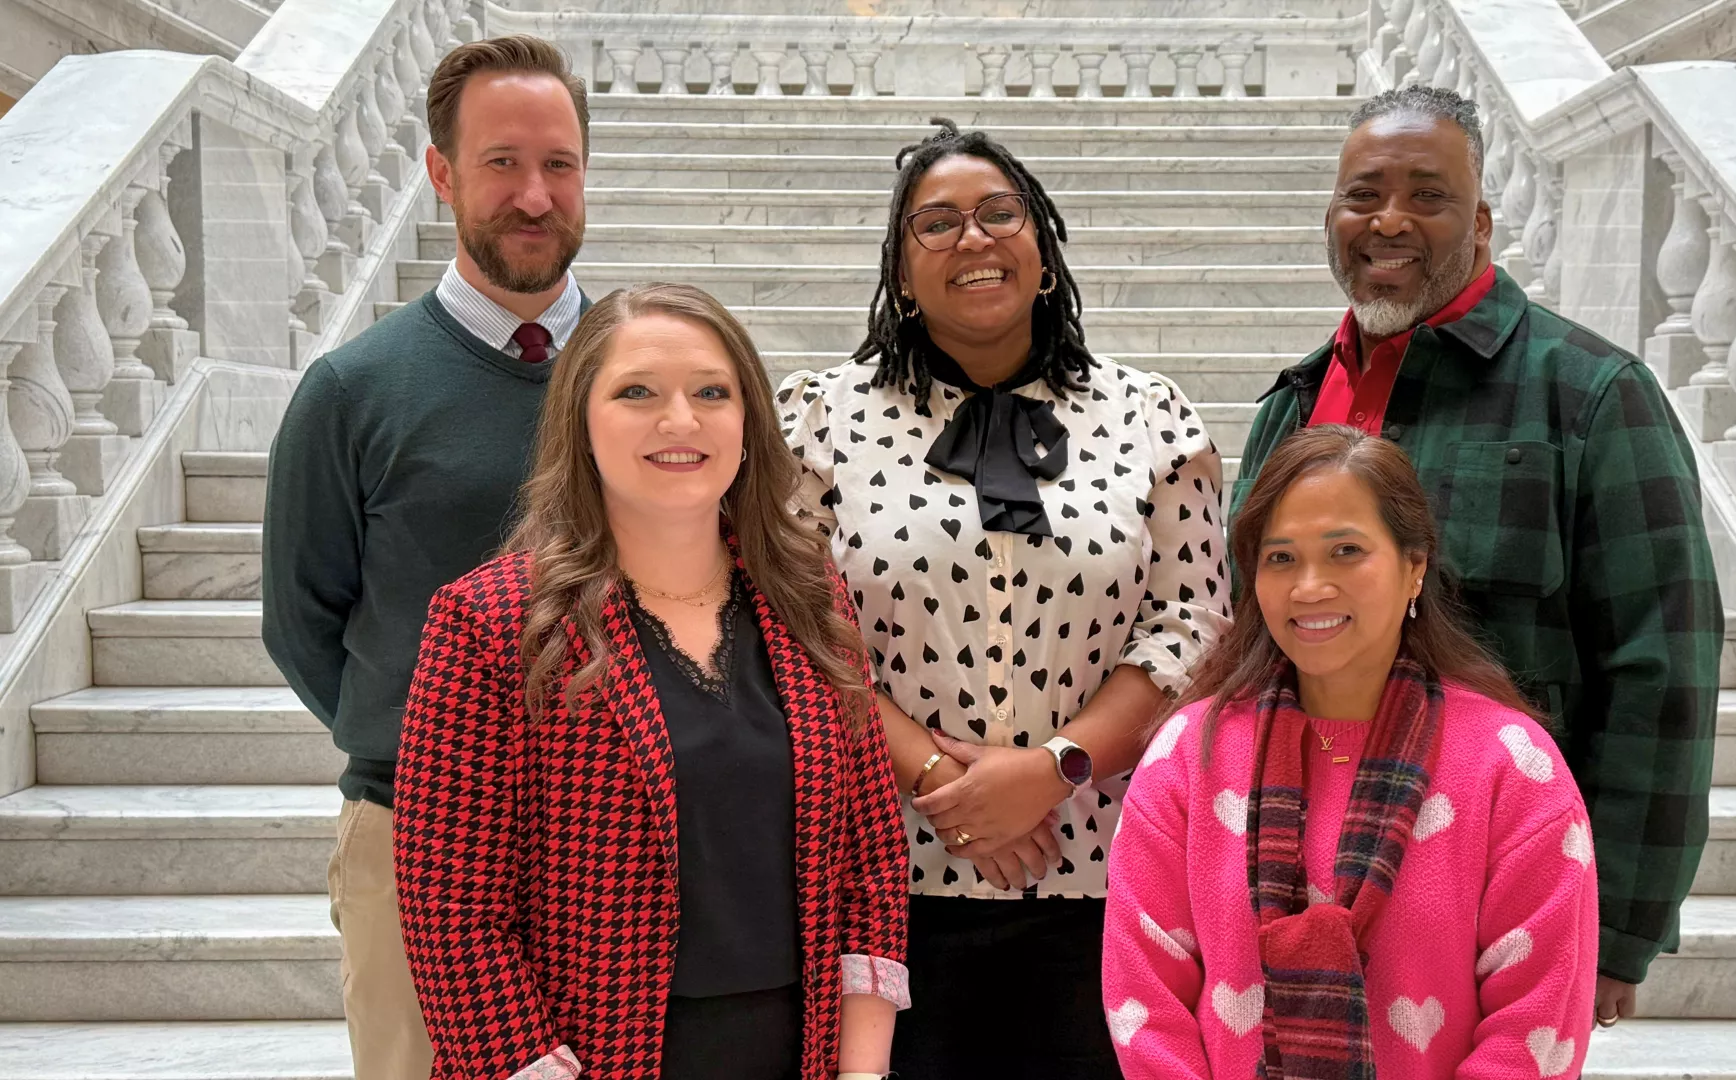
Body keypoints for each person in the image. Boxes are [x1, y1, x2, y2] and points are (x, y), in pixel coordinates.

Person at [1229, 84, 1722, 1025]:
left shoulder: (1592, 398)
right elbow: (1250, 655)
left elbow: (1664, 671)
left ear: (1484, 220)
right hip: (1293, 892)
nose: (1389, 221)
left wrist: (1616, 927)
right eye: (1364, 194)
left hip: (1503, 893)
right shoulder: (1290, 407)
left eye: (1428, 194)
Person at [777, 119, 1231, 1080]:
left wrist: (1054, 768)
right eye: (935, 224)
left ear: (1046, 250)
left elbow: (1192, 627)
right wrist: (943, 782)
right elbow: (790, 625)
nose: (973, 238)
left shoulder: (1150, 416)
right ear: (900, 271)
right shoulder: (820, 421)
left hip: (1108, 881)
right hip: (883, 880)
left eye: (999, 213)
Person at [392, 283, 910, 1080]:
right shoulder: (489, 623)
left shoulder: (810, 596)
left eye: (712, 392)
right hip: (584, 1061)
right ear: (581, 420)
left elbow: (868, 859)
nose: (680, 420)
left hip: (798, 1053)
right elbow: (454, 917)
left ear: (748, 423)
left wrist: (862, 1072)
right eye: (637, 392)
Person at [259, 34, 591, 1079]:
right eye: (501, 163)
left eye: (558, 165)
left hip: (621, 844)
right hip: (413, 841)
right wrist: (435, 748)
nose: (534, 196)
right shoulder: (351, 391)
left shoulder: (655, 374)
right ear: (441, 172)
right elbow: (302, 621)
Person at [1106, 425, 1599, 1080]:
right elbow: (1147, 1000)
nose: (1310, 586)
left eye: (1346, 551)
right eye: (1281, 558)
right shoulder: (1187, 757)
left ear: (1413, 565)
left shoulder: (1512, 767)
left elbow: (1536, 1019)